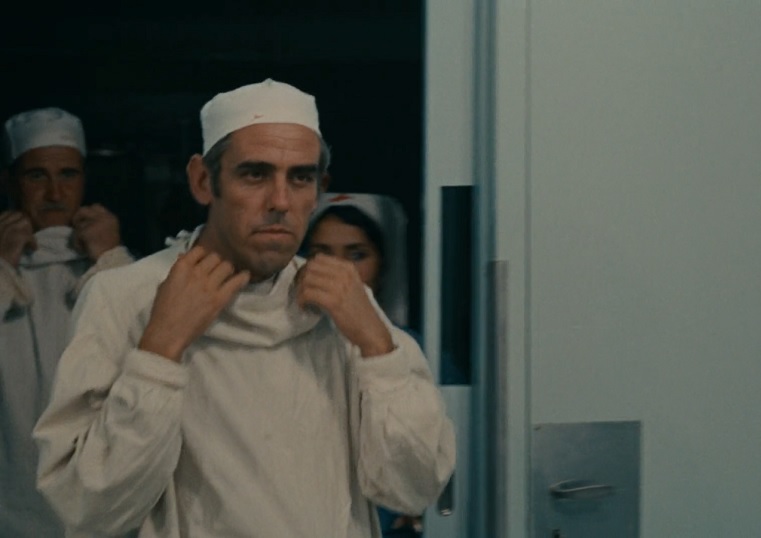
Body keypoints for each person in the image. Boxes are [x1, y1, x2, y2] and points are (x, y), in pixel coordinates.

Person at [32, 79, 456, 537]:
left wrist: (377, 346)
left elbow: (413, 488)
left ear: (319, 189)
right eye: (255, 175)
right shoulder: (125, 298)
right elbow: (87, 509)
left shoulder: (345, 305)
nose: (280, 202)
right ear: (202, 180)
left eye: (300, 178)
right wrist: (159, 351)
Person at [0, 107, 133, 537]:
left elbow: (154, 356)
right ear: (10, 183)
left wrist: (113, 262)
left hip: (102, 507)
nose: (55, 193)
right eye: (37, 176)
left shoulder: (118, 269)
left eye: (68, 175)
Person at [304, 193, 424, 537]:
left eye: (357, 255)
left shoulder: (413, 350)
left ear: (382, 265)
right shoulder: (281, 349)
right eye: (322, 253)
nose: (339, 269)